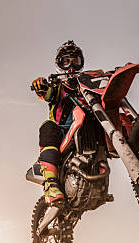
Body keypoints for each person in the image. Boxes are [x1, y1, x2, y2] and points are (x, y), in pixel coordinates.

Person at [31, 40, 84, 204]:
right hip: (63, 133)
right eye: (66, 61)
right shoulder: (58, 86)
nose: (71, 65)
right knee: (48, 127)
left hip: (84, 132)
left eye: (75, 61)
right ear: (59, 64)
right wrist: (42, 87)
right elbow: (47, 94)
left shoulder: (86, 85)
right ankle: (50, 184)